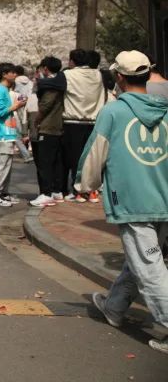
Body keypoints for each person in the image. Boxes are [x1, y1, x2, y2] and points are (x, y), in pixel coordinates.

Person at [78, 51, 168, 355]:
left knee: (149, 265)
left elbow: (95, 153)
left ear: (119, 77)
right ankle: (114, 307)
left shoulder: (114, 112)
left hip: (131, 198)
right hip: (163, 197)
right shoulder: (165, 109)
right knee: (143, 258)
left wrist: (85, 185)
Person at [63, 49, 108, 202]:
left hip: (73, 122)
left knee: (75, 158)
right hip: (95, 122)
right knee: (93, 157)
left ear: (72, 61)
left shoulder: (67, 74)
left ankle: (79, 191)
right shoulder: (99, 74)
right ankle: (92, 190)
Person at [32, 56, 67, 207]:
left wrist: (37, 119)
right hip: (57, 126)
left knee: (45, 162)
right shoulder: (60, 81)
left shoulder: (50, 85)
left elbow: (45, 105)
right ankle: (56, 191)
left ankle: (46, 193)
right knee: (56, 161)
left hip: (48, 127)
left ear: (45, 68)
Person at [0, 63, 25, 207]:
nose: (15, 75)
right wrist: (16, 106)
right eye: (12, 72)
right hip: (2, 132)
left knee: (7, 164)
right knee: (2, 164)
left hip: (7, 132)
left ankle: (3, 192)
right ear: (4, 74)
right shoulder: (0, 89)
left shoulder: (4, 89)